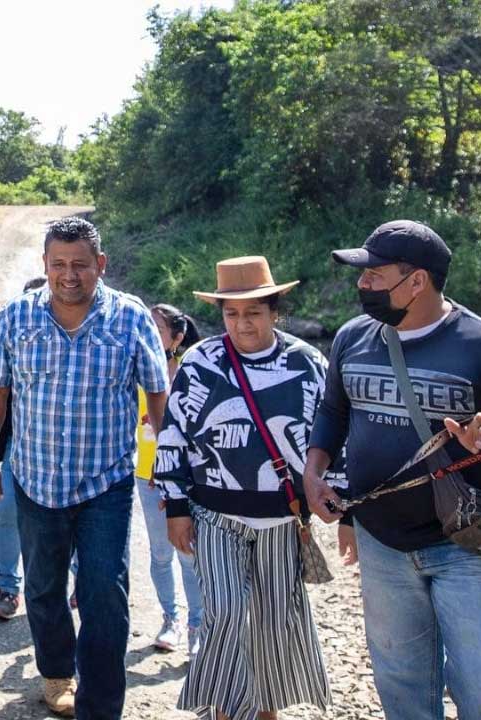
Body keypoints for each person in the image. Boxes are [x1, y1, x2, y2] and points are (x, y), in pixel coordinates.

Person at [302, 220, 481, 720]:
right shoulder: (353, 339)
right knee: (403, 693)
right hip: (384, 546)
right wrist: (315, 473)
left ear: (416, 281)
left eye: (374, 275)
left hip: (467, 545)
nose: (363, 284)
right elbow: (333, 414)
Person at [0, 217, 169, 719]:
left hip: (106, 483)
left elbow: (157, 393)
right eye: (58, 264)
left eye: (80, 265)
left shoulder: (130, 318)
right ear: (44, 265)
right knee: (43, 589)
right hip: (35, 481)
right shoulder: (16, 318)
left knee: (105, 591)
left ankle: (100, 705)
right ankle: (57, 673)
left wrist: (167, 465)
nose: (69, 275)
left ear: (99, 265)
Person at [155, 256, 337, 720]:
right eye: (231, 313)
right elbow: (173, 433)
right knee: (228, 612)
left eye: (253, 312)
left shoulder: (308, 364)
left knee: (275, 623)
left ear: (275, 312)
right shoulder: (201, 363)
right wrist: (176, 506)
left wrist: (344, 506)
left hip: (282, 518)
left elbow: (333, 437)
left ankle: (266, 711)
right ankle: (225, 710)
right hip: (216, 515)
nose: (242, 323)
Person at [137, 303, 204, 655]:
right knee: (160, 553)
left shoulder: (194, 374)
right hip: (146, 473)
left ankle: (197, 627)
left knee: (188, 553)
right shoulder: (137, 369)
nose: (149, 335)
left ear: (176, 338)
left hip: (187, 477)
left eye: (157, 330)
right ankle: (171, 619)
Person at [0, 275, 48, 621]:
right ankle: (9, 589)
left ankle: (75, 583)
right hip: (17, 445)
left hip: (63, 447)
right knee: (8, 513)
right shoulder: (12, 336)